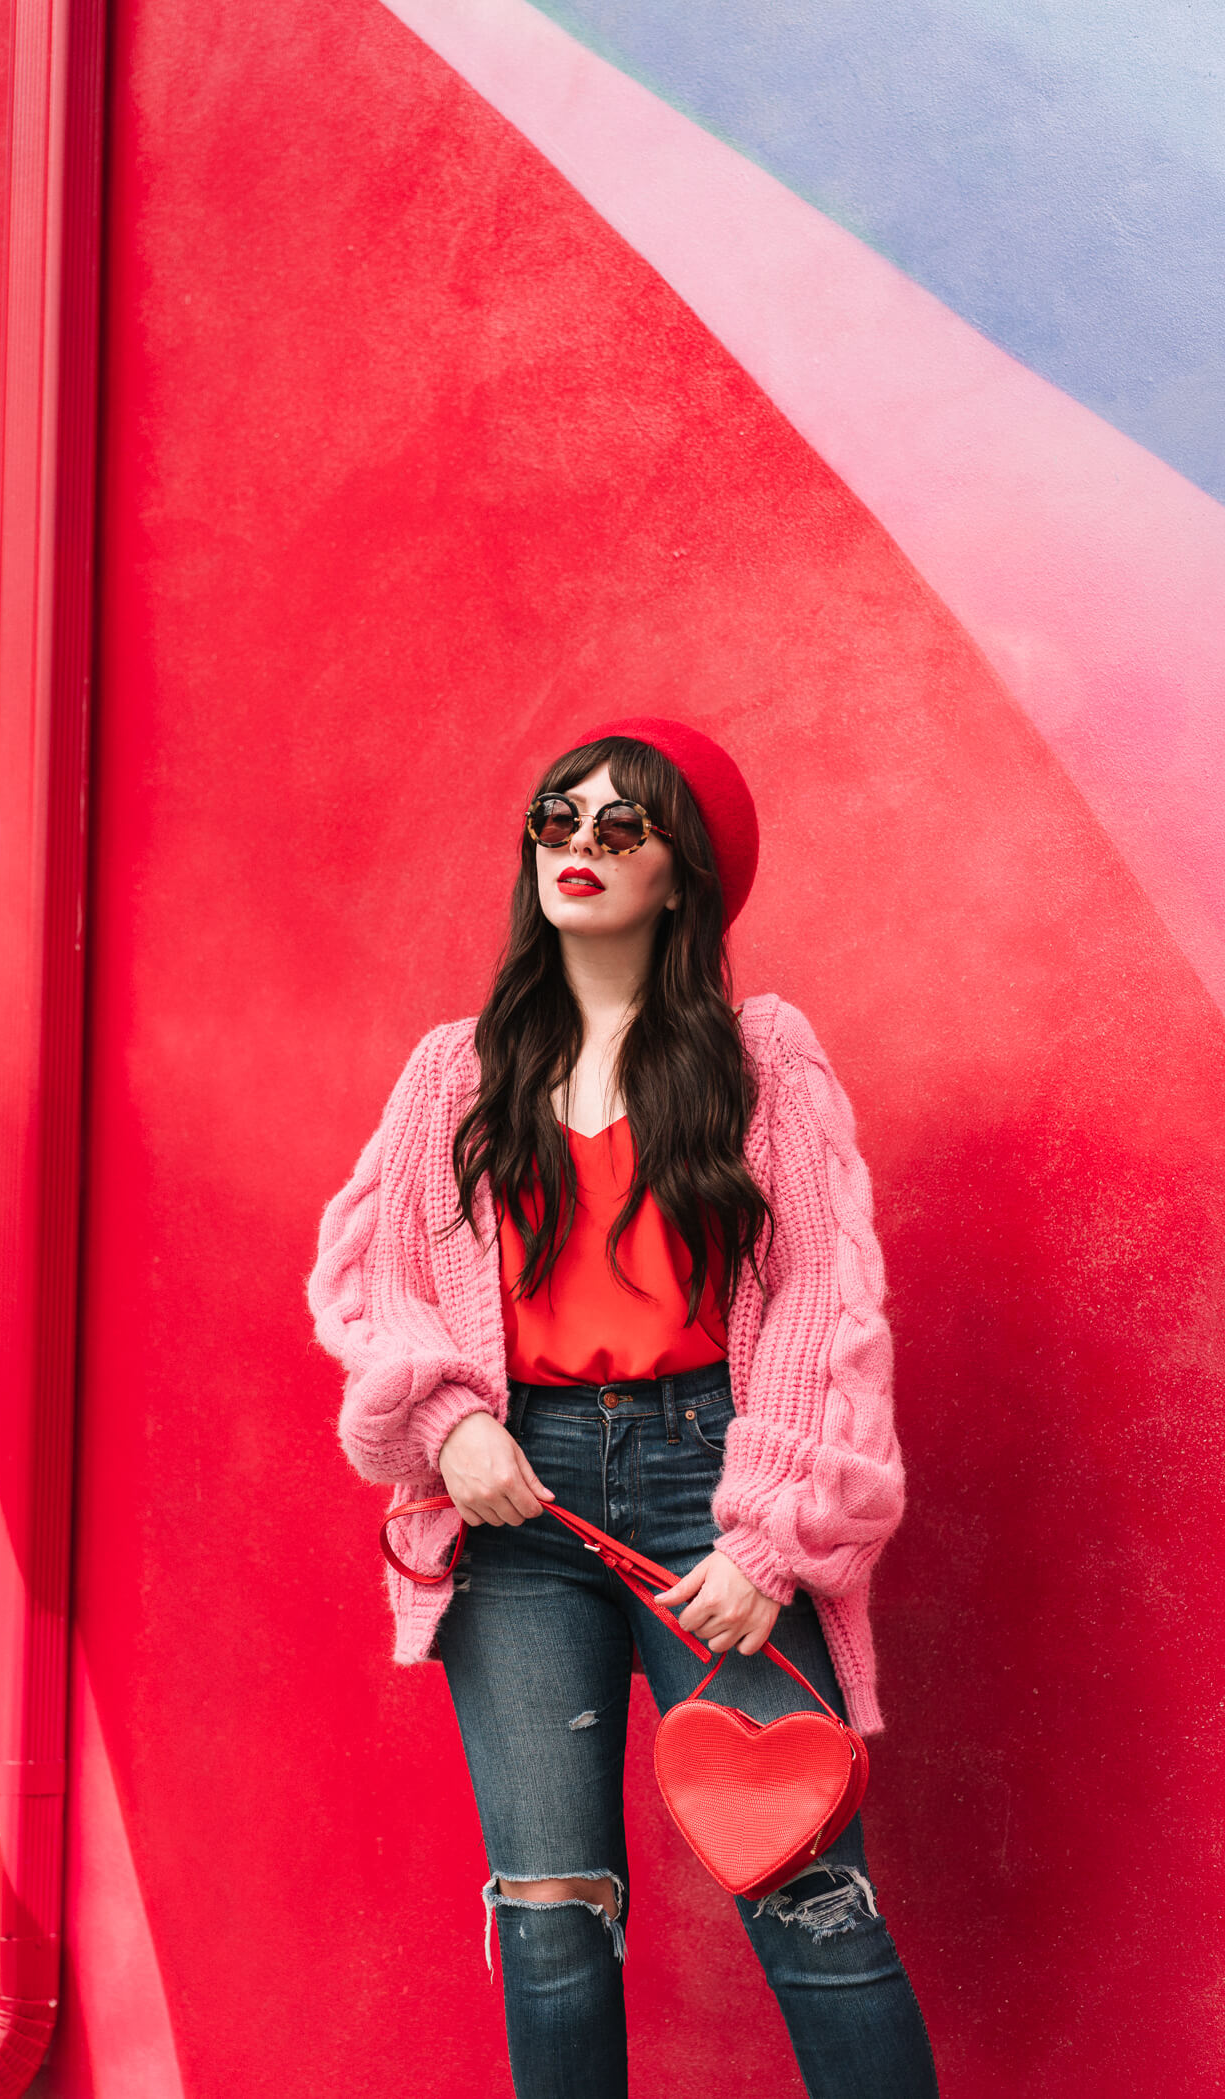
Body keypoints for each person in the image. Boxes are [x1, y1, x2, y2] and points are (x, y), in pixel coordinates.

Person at [309, 719, 938, 2098]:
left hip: (711, 1483)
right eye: (558, 819)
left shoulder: (764, 1056)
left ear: (683, 874)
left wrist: (770, 1538)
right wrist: (451, 1422)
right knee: (550, 1924)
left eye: (621, 826)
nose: (578, 847)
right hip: (516, 1508)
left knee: (812, 1902)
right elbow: (375, 1288)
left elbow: (827, 1307)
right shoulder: (451, 1073)